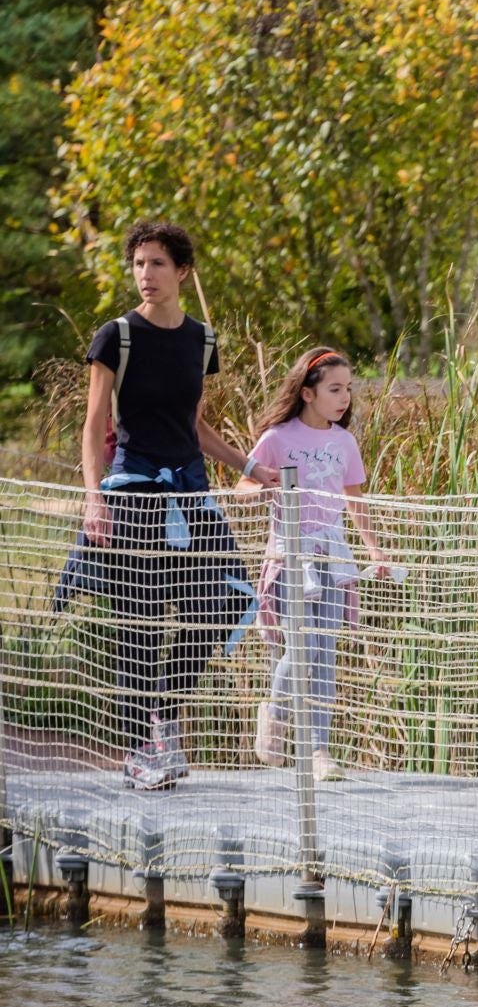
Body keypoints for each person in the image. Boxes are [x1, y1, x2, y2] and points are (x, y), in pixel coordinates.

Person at [79, 220, 275, 791]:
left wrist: (247, 466)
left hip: (191, 492)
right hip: (132, 492)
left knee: (224, 600)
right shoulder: (115, 336)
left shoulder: (202, 339)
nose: (146, 275)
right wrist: (95, 498)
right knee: (137, 622)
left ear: (182, 271)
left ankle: (163, 709)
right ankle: (142, 749)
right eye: (139, 264)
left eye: (157, 264)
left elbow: (195, 424)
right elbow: (94, 425)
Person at [239, 348, 392, 783]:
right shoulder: (278, 437)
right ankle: (275, 708)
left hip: (332, 555)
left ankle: (319, 750)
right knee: (300, 645)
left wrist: (373, 548)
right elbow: (244, 483)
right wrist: (261, 486)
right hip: (289, 554)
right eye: (334, 389)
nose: (345, 398)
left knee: (325, 654)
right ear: (307, 393)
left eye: (348, 389)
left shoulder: (344, 442)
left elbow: (354, 500)